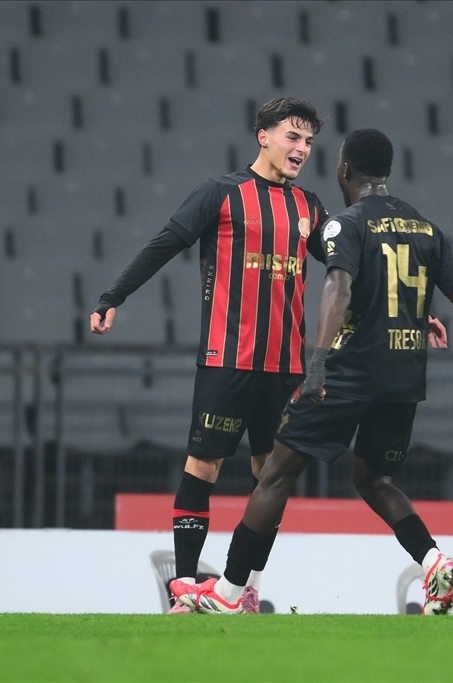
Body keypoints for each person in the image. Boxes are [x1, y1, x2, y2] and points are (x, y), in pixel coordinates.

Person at [170, 128, 453, 615]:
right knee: (374, 478)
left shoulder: (346, 224)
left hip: (350, 374)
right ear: (388, 172)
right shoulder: (426, 229)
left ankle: (228, 594)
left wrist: (317, 365)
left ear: (345, 170)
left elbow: (339, 288)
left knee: (274, 475)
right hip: (405, 378)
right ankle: (434, 560)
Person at [90, 97, 330, 614]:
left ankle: (246, 590)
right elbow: (164, 244)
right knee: (203, 466)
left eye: (309, 141)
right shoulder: (221, 193)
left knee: (271, 479)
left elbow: (349, 266)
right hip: (228, 360)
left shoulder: (309, 207)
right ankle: (183, 588)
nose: (302, 149)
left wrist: (414, 312)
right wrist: (114, 296)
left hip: (285, 368)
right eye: (293, 136)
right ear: (263, 135)